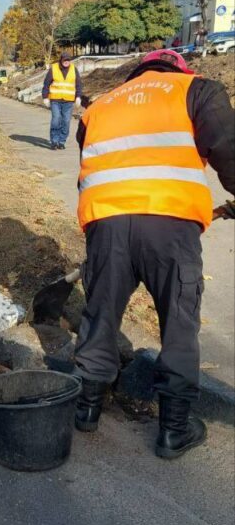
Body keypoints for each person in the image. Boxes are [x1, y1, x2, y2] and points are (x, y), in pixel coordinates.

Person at [73, 48, 235, 459]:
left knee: (101, 312)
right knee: (179, 323)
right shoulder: (195, 90)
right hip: (170, 228)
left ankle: (87, 409)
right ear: (178, 69)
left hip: (106, 223)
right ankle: (173, 430)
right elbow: (228, 147)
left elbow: (92, 163)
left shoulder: (100, 107)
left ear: (137, 73)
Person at [42, 52, 82, 150]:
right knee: (56, 119)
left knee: (66, 121)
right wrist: (45, 97)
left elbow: (78, 84)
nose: (66, 62)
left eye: (68, 60)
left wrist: (78, 97)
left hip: (68, 101)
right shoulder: (54, 68)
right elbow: (46, 83)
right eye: (65, 60)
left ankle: (62, 141)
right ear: (61, 60)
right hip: (55, 99)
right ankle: (54, 141)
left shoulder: (74, 69)